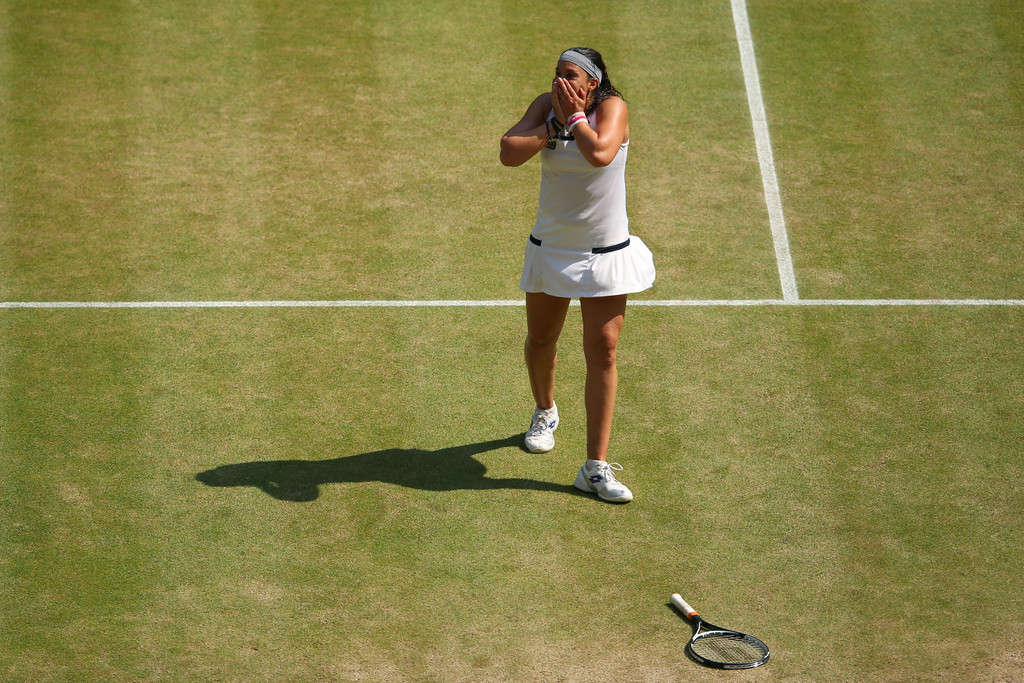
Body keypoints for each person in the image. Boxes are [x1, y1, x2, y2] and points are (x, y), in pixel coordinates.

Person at [499, 47, 655, 503]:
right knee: (541, 341)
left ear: (591, 83)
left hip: (605, 253)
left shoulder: (613, 109)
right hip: (552, 249)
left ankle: (594, 467)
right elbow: (509, 153)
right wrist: (552, 123)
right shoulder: (546, 105)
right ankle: (545, 410)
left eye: (571, 76)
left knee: (604, 350)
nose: (560, 82)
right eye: (557, 74)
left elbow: (601, 154)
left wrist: (575, 121)